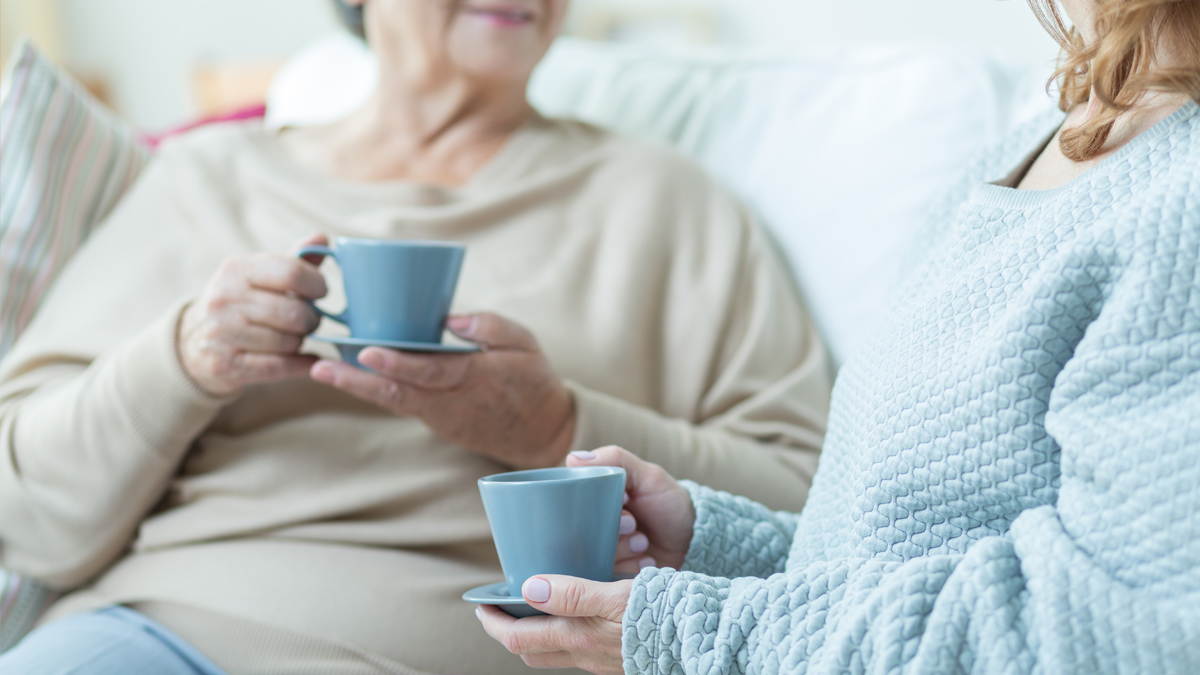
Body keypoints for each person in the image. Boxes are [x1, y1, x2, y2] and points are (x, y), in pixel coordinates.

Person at [0, 1, 833, 673]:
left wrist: (554, 424)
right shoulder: (203, 177)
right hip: (165, 635)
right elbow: (27, 521)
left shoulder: (668, 203)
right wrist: (180, 360)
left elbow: (817, 515)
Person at [475, 0, 1200, 672]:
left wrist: (694, 632)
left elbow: (1119, 628)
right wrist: (712, 549)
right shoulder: (1033, 147)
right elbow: (890, 552)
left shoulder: (1179, 201)